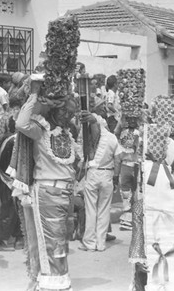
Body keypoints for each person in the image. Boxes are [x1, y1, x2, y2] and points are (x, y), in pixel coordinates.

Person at [14, 79, 93, 291]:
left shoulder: (68, 133)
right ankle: (51, 282)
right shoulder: (41, 129)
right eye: (65, 112)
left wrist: (92, 122)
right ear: (53, 110)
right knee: (51, 240)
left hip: (64, 194)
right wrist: (34, 94)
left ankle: (57, 279)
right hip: (47, 191)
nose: (69, 117)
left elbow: (86, 157)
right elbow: (21, 124)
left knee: (60, 241)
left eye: (72, 113)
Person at [80, 97, 119, 252]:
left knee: (91, 209)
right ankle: (101, 243)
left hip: (94, 173)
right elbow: (118, 161)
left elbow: (93, 124)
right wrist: (115, 178)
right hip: (107, 175)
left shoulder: (94, 137)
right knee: (104, 210)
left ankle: (90, 242)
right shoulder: (113, 138)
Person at [0, 117, 23, 251]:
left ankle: (18, 237)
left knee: (14, 209)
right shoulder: (14, 141)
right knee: (9, 209)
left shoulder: (5, 139)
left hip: (7, 180)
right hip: (9, 180)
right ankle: (0, 238)